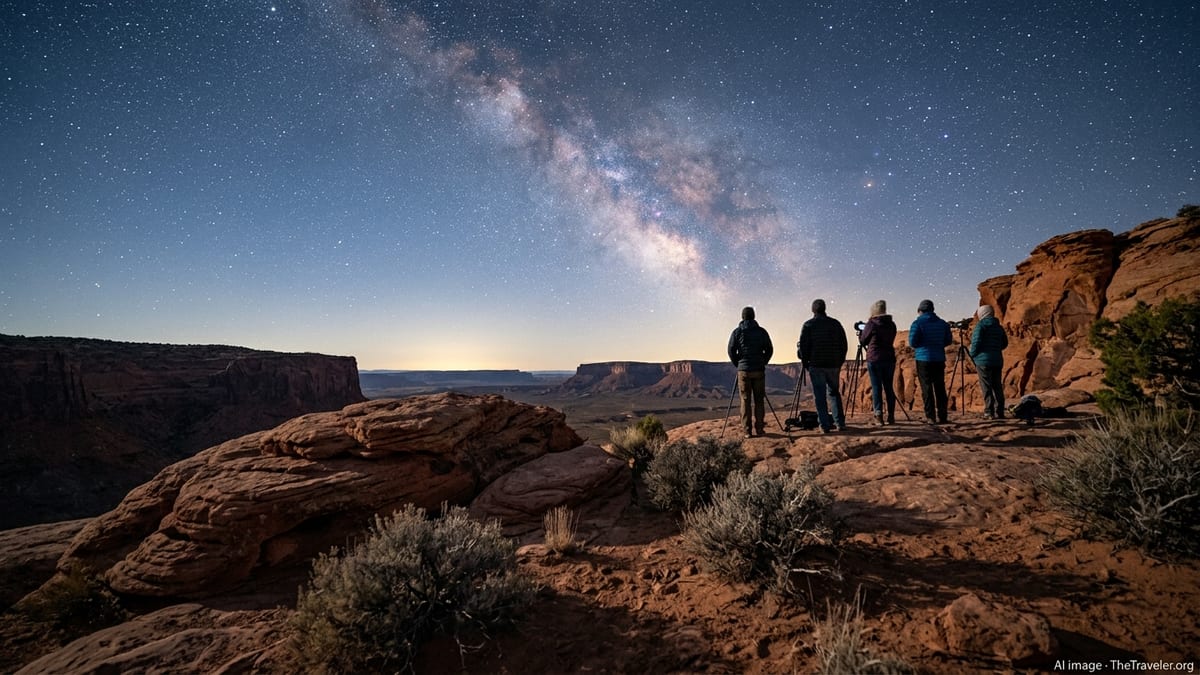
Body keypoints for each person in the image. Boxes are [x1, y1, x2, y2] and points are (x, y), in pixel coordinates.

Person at [798, 299, 848, 433]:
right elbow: (844, 345)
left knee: (819, 396)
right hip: (833, 365)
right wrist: (840, 361)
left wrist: (806, 363)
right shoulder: (835, 324)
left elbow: (803, 347)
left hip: (816, 365)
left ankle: (824, 426)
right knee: (834, 394)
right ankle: (840, 423)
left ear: (813, 310)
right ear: (824, 309)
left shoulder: (808, 325)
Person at [727, 306, 774, 438]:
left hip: (744, 371)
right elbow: (769, 349)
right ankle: (760, 429)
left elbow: (731, 350)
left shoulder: (737, 332)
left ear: (742, 317)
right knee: (759, 400)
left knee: (745, 400)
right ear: (754, 316)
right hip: (759, 370)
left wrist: (739, 364)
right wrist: (763, 362)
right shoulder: (761, 332)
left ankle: (747, 431)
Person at [909, 299, 953, 424]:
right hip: (939, 358)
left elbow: (912, 342)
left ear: (920, 310)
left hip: (923, 359)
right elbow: (948, 340)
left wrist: (922, 346)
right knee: (940, 387)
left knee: (926, 388)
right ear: (932, 310)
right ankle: (943, 416)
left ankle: (930, 417)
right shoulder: (942, 323)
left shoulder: (917, 323)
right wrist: (938, 345)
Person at [858, 299, 897, 425]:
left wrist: (860, 334)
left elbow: (863, 341)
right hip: (889, 358)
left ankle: (878, 416)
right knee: (888, 387)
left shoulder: (872, 323)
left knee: (876, 387)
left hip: (874, 359)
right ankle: (891, 416)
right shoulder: (891, 324)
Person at [969, 303, 1008, 419]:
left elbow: (976, 343)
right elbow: (1004, 343)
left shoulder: (981, 326)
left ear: (981, 314)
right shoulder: (999, 327)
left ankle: (989, 412)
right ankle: (1000, 411)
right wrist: (995, 349)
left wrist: (972, 355)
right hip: (997, 360)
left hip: (983, 361)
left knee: (986, 386)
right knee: (997, 386)